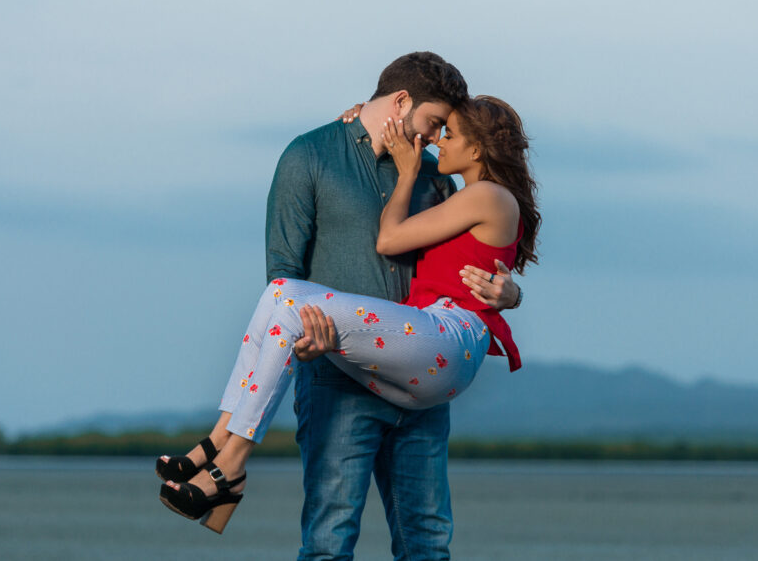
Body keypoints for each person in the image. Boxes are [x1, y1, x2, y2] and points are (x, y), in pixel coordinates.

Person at [157, 72, 541, 552]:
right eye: (436, 124)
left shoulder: (441, 179)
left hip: (432, 348)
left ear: (477, 149)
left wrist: (512, 295)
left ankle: (229, 463)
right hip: (348, 373)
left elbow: (409, 243)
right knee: (328, 539)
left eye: (448, 131)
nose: (436, 138)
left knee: (424, 539)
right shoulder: (313, 154)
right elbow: (285, 269)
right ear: (400, 102)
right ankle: (221, 449)